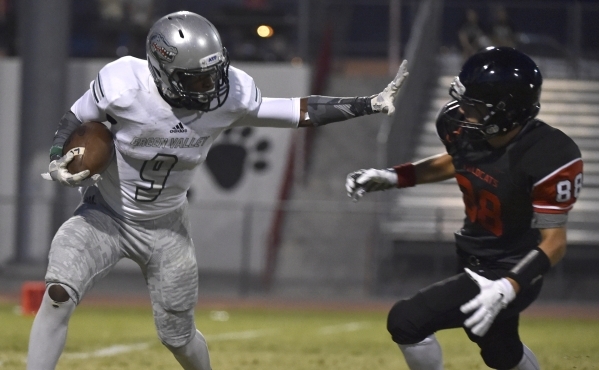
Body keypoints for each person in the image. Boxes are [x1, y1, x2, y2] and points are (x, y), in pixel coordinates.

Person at [28, 10, 409, 370]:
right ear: (161, 70)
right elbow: (78, 119)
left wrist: (367, 104)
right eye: (195, 78)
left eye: (212, 74)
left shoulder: (230, 96)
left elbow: (297, 111)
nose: (210, 85)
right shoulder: (124, 84)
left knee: (177, 337)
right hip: (105, 214)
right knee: (59, 292)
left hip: (166, 228)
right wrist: (58, 157)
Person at [346, 47, 583, 369]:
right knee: (501, 352)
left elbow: (554, 242)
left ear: (506, 110)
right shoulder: (462, 127)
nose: (462, 111)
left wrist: (508, 286)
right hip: (473, 255)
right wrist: (394, 176)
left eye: (474, 106)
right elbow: (459, 161)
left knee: (407, 320)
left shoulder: (550, 154)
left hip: (512, 269)